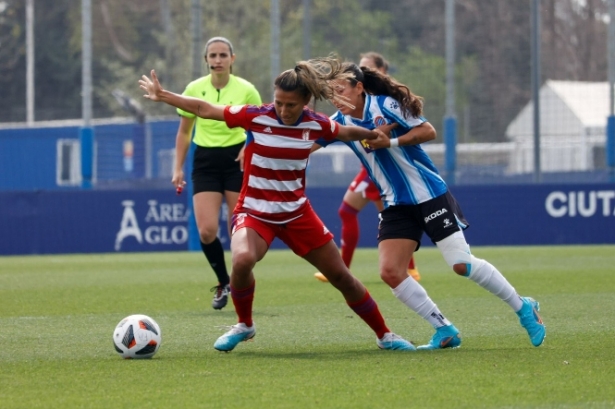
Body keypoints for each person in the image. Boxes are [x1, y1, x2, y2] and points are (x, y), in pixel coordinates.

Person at [140, 56, 417, 352]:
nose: (283, 110)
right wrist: (163, 95)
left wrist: (374, 135)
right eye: (279, 103)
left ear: (306, 102)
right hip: (254, 212)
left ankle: (385, 335)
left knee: (341, 277)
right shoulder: (256, 116)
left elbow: (346, 132)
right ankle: (244, 325)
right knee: (243, 259)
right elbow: (204, 108)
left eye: (291, 105)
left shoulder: (317, 124)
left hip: (297, 214)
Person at [315, 62, 546, 349]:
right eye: (331, 94)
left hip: (429, 195)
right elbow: (308, 143)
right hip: (396, 205)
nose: (336, 99)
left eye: (340, 90)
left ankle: (523, 307)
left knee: (461, 264)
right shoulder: (339, 122)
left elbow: (428, 131)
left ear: (359, 87)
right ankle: (445, 329)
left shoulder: (385, 105)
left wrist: (392, 141)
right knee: (390, 272)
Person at [172, 37, 262, 311]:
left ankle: (241, 285)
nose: (218, 59)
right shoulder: (194, 89)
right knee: (207, 230)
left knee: (238, 231)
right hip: (205, 162)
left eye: (223, 54)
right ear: (206, 59)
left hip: (237, 160)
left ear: (232, 59)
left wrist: (249, 147)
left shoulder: (247, 89)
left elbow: (258, 127)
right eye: (213, 55)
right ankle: (224, 282)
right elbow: (185, 131)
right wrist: (177, 167)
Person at [314, 51, 420, 284]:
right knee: (359, 212)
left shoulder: (385, 103)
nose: (364, 70)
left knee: (391, 214)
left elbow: (418, 126)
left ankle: (406, 267)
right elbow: (324, 135)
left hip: (391, 172)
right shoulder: (349, 112)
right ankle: (407, 268)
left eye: (368, 68)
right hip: (372, 168)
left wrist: (388, 132)